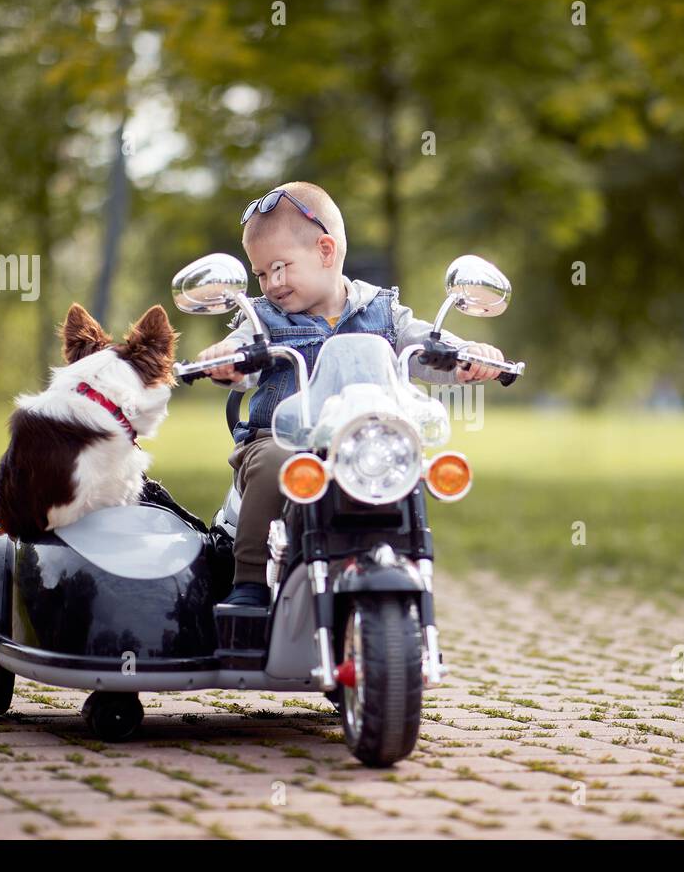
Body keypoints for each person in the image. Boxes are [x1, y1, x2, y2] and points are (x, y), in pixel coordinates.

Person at [197, 180, 505, 605]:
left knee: (408, 469)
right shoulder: (264, 318)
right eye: (261, 273)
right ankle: (248, 581)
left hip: (365, 439)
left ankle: (407, 564)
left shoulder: (383, 312)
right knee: (272, 464)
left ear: (325, 251)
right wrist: (226, 359)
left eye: (279, 268)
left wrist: (467, 355)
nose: (269, 284)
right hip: (282, 439)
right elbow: (241, 352)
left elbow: (423, 346)